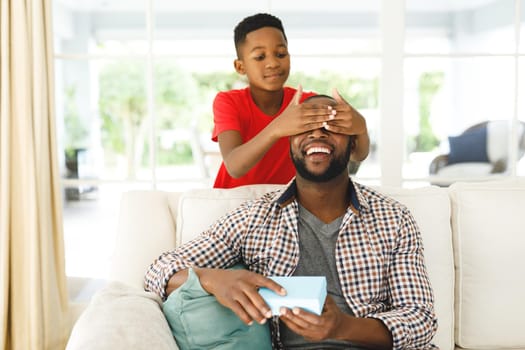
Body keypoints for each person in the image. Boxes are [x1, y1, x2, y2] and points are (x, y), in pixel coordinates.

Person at [145, 95, 438, 350]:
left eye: (332, 127)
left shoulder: (393, 218)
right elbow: (158, 271)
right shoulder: (254, 217)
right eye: (305, 127)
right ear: (290, 143)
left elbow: (421, 318)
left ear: (352, 145)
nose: (318, 134)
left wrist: (343, 327)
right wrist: (210, 278)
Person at [211, 13, 370, 188]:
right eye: (260, 57)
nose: (273, 63)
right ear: (240, 67)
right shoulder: (228, 102)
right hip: (232, 201)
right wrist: (278, 127)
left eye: (280, 54)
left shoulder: (306, 104)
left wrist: (360, 127)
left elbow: (357, 154)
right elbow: (234, 166)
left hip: (283, 204)